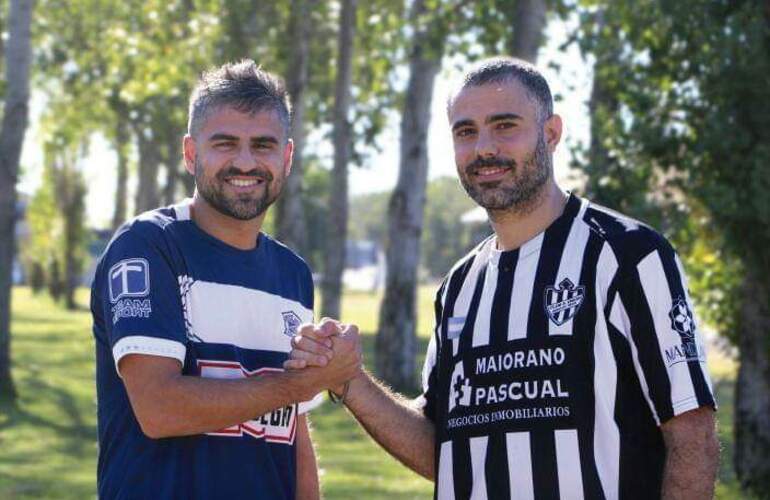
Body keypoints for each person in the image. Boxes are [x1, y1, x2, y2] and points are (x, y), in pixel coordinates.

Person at [287, 57, 719, 499]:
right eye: (466, 131)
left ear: (551, 134)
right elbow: (445, 454)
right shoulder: (458, 288)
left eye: (505, 125)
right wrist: (350, 380)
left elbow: (692, 432)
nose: (483, 148)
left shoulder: (628, 255)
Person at [90, 60, 360, 500]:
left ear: (286, 157)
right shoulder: (147, 246)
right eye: (226, 143)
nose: (246, 162)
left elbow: (293, 430)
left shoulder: (292, 273)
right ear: (191, 152)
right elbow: (159, 409)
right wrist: (303, 383)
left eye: (263, 145)